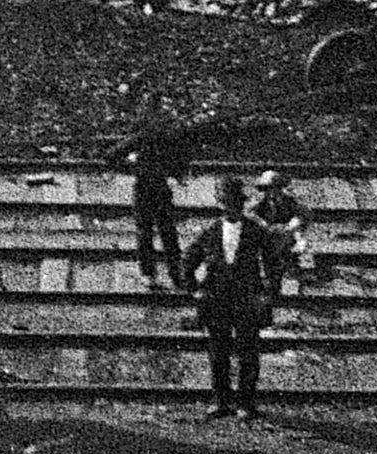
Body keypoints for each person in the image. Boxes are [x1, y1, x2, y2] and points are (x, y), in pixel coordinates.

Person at [180, 177, 279, 419]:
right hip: (217, 299)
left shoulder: (256, 231)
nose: (231, 209)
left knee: (248, 353)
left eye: (235, 204)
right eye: (226, 204)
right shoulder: (210, 231)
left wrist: (268, 293)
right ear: (220, 205)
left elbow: (273, 263)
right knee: (218, 352)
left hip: (247, 298)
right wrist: (194, 289)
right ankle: (221, 401)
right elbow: (188, 261)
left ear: (242, 205)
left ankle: (246, 403)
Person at [111, 130, 193, 287]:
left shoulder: (147, 138)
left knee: (154, 233)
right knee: (161, 233)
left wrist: (132, 168)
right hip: (153, 188)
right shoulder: (162, 139)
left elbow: (111, 156)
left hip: (149, 188)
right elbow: (111, 156)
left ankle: (157, 274)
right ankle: (168, 273)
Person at [247, 168, 314, 284]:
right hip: (267, 237)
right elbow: (248, 213)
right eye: (267, 189)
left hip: (286, 236)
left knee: (297, 245)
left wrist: (290, 225)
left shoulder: (290, 200)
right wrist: (263, 223)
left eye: (274, 188)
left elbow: (303, 214)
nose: (271, 192)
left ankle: (293, 270)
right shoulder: (261, 201)